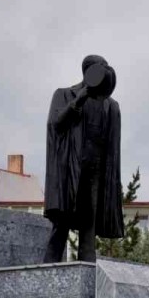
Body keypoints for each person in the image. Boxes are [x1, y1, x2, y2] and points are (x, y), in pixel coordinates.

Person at [43, 54, 124, 263]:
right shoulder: (64, 94)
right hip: (70, 169)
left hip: (95, 172)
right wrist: (78, 100)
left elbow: (112, 147)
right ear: (89, 71)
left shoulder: (111, 106)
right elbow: (56, 124)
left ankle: (88, 277)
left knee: (89, 230)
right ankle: (46, 274)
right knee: (61, 226)